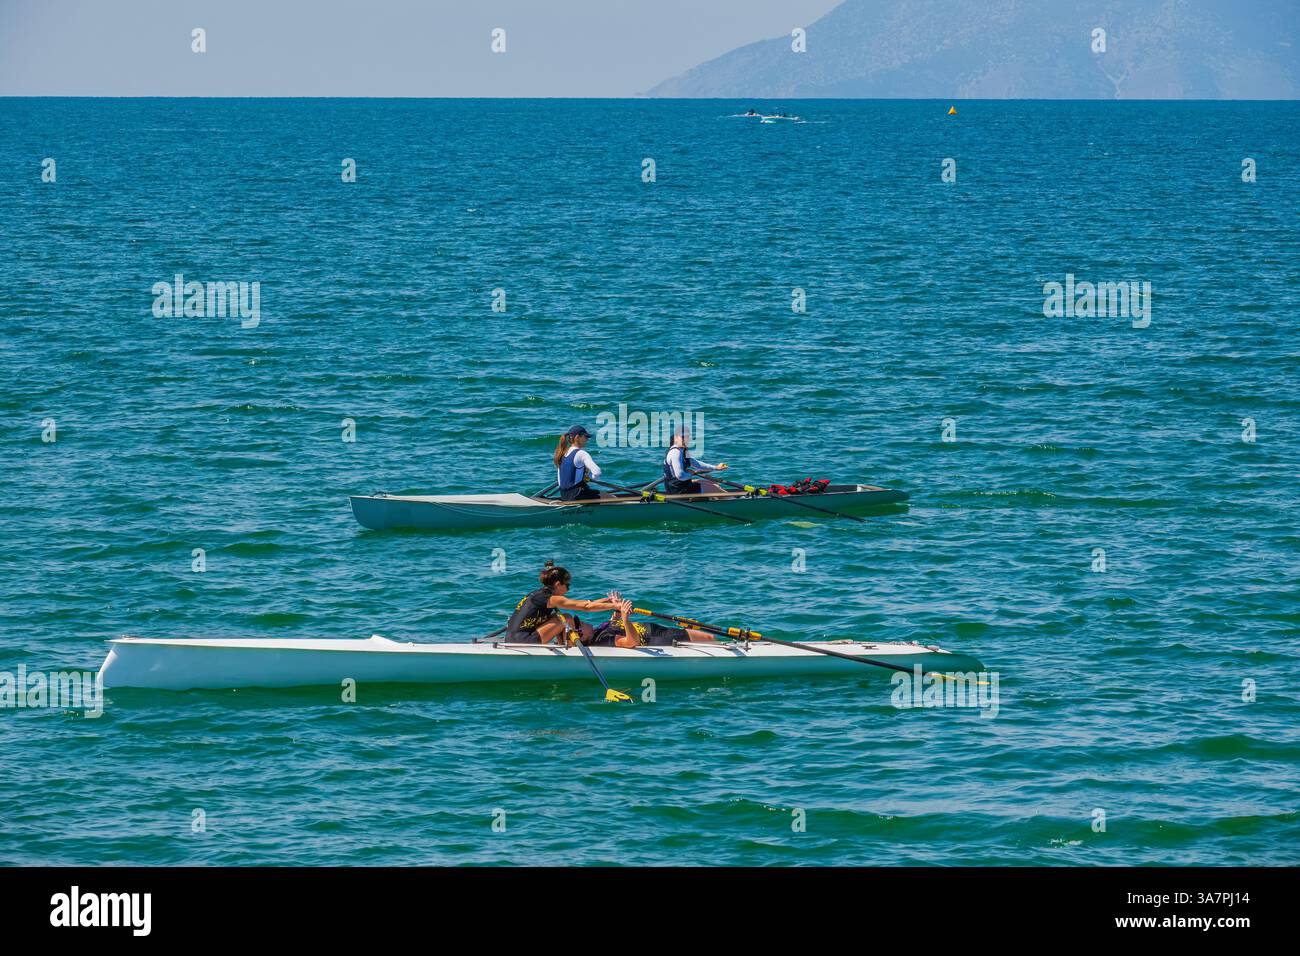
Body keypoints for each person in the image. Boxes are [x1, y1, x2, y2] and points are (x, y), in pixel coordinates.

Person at [505, 561, 624, 645]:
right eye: (567, 585)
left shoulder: (541, 594)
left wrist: (607, 600)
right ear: (558, 584)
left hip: (513, 638)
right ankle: (570, 647)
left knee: (558, 617)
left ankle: (564, 644)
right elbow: (586, 607)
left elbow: (585, 603)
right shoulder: (551, 598)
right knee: (566, 618)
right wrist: (615, 606)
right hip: (522, 640)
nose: (568, 589)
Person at [588, 600, 716, 648]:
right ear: (583, 636)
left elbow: (613, 627)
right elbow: (631, 642)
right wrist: (626, 619)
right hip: (656, 638)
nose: (582, 620)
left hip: (655, 629)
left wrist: (616, 614)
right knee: (710, 638)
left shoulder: (597, 630)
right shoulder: (601, 640)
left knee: (704, 637)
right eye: (579, 623)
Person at [662, 429, 727, 496]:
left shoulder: (682, 450)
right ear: (675, 439)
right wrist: (691, 473)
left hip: (680, 486)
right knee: (717, 489)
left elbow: (696, 463)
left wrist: (716, 467)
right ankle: (731, 500)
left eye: (688, 437)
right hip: (679, 491)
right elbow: (680, 476)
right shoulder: (675, 452)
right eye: (683, 437)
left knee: (713, 484)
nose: (686, 440)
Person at [553, 425, 602, 501]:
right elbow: (597, 472)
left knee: (600, 494)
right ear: (577, 437)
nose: (587, 439)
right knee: (611, 497)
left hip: (564, 495)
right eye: (585, 437)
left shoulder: (562, 454)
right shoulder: (581, 453)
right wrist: (592, 478)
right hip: (578, 495)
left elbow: (560, 482)